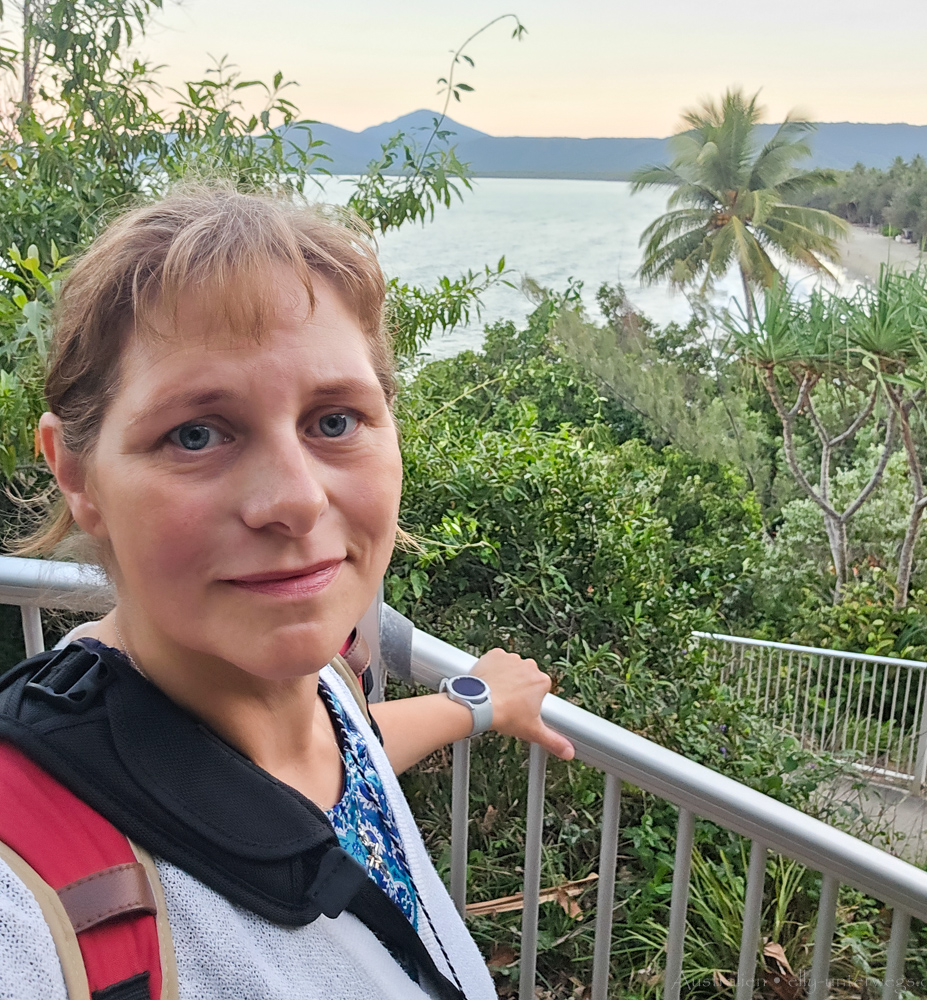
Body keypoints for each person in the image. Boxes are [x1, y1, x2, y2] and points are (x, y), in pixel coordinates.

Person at [0, 186, 574, 1000]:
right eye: (196, 434)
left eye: (334, 421)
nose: (296, 500)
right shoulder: (27, 891)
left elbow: (343, 752)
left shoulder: (322, 683)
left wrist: (476, 702)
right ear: (76, 473)